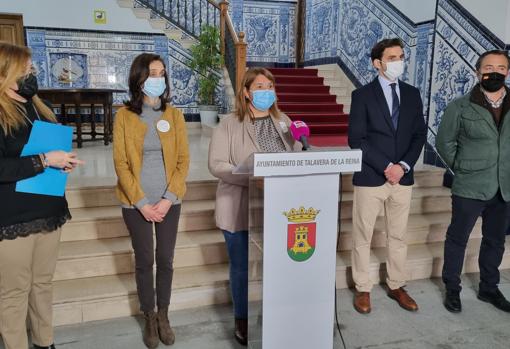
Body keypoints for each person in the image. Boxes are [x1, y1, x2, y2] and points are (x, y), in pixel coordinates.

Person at [208, 67, 301, 345]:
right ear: (246, 92)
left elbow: (296, 156)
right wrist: (253, 177)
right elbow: (217, 164)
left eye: (270, 86)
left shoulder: (283, 121)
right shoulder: (228, 123)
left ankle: (276, 313)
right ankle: (242, 318)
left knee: (277, 266)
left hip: (278, 207)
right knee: (240, 267)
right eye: (259, 87)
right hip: (239, 205)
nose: (266, 92)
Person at [0, 42, 83, 349]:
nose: (31, 73)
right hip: (13, 217)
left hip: (48, 209)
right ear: (6, 73)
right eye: (25, 69)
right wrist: (45, 160)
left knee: (42, 285)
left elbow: (48, 149)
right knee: (14, 292)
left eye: (32, 68)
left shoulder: (38, 105)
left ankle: (44, 342)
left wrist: (63, 161)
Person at [113, 53, 190, 348]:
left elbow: (183, 160)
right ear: (138, 79)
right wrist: (142, 202)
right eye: (151, 74)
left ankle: (164, 315)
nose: (158, 79)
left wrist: (169, 198)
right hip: (136, 203)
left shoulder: (175, 115)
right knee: (145, 260)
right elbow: (121, 163)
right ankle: (148, 315)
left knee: (166, 260)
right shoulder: (124, 116)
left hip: (169, 202)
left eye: (161, 73)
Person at [348, 38, 427, 314]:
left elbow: (419, 135)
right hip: (371, 176)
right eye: (392, 57)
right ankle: (363, 288)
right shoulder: (362, 96)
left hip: (402, 179)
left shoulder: (412, 94)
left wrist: (403, 165)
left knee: (398, 235)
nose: (398, 62)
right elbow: (356, 139)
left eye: (401, 56)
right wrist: (386, 166)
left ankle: (396, 285)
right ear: (377, 63)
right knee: (362, 236)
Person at [436, 49, 510, 314]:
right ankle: (452, 289)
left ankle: (489, 288)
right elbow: (444, 142)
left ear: (507, 72)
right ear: (477, 72)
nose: (495, 72)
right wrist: (462, 167)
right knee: (458, 238)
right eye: (488, 67)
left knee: (495, 240)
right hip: (469, 185)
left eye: (501, 67)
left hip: (504, 187)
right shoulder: (460, 106)